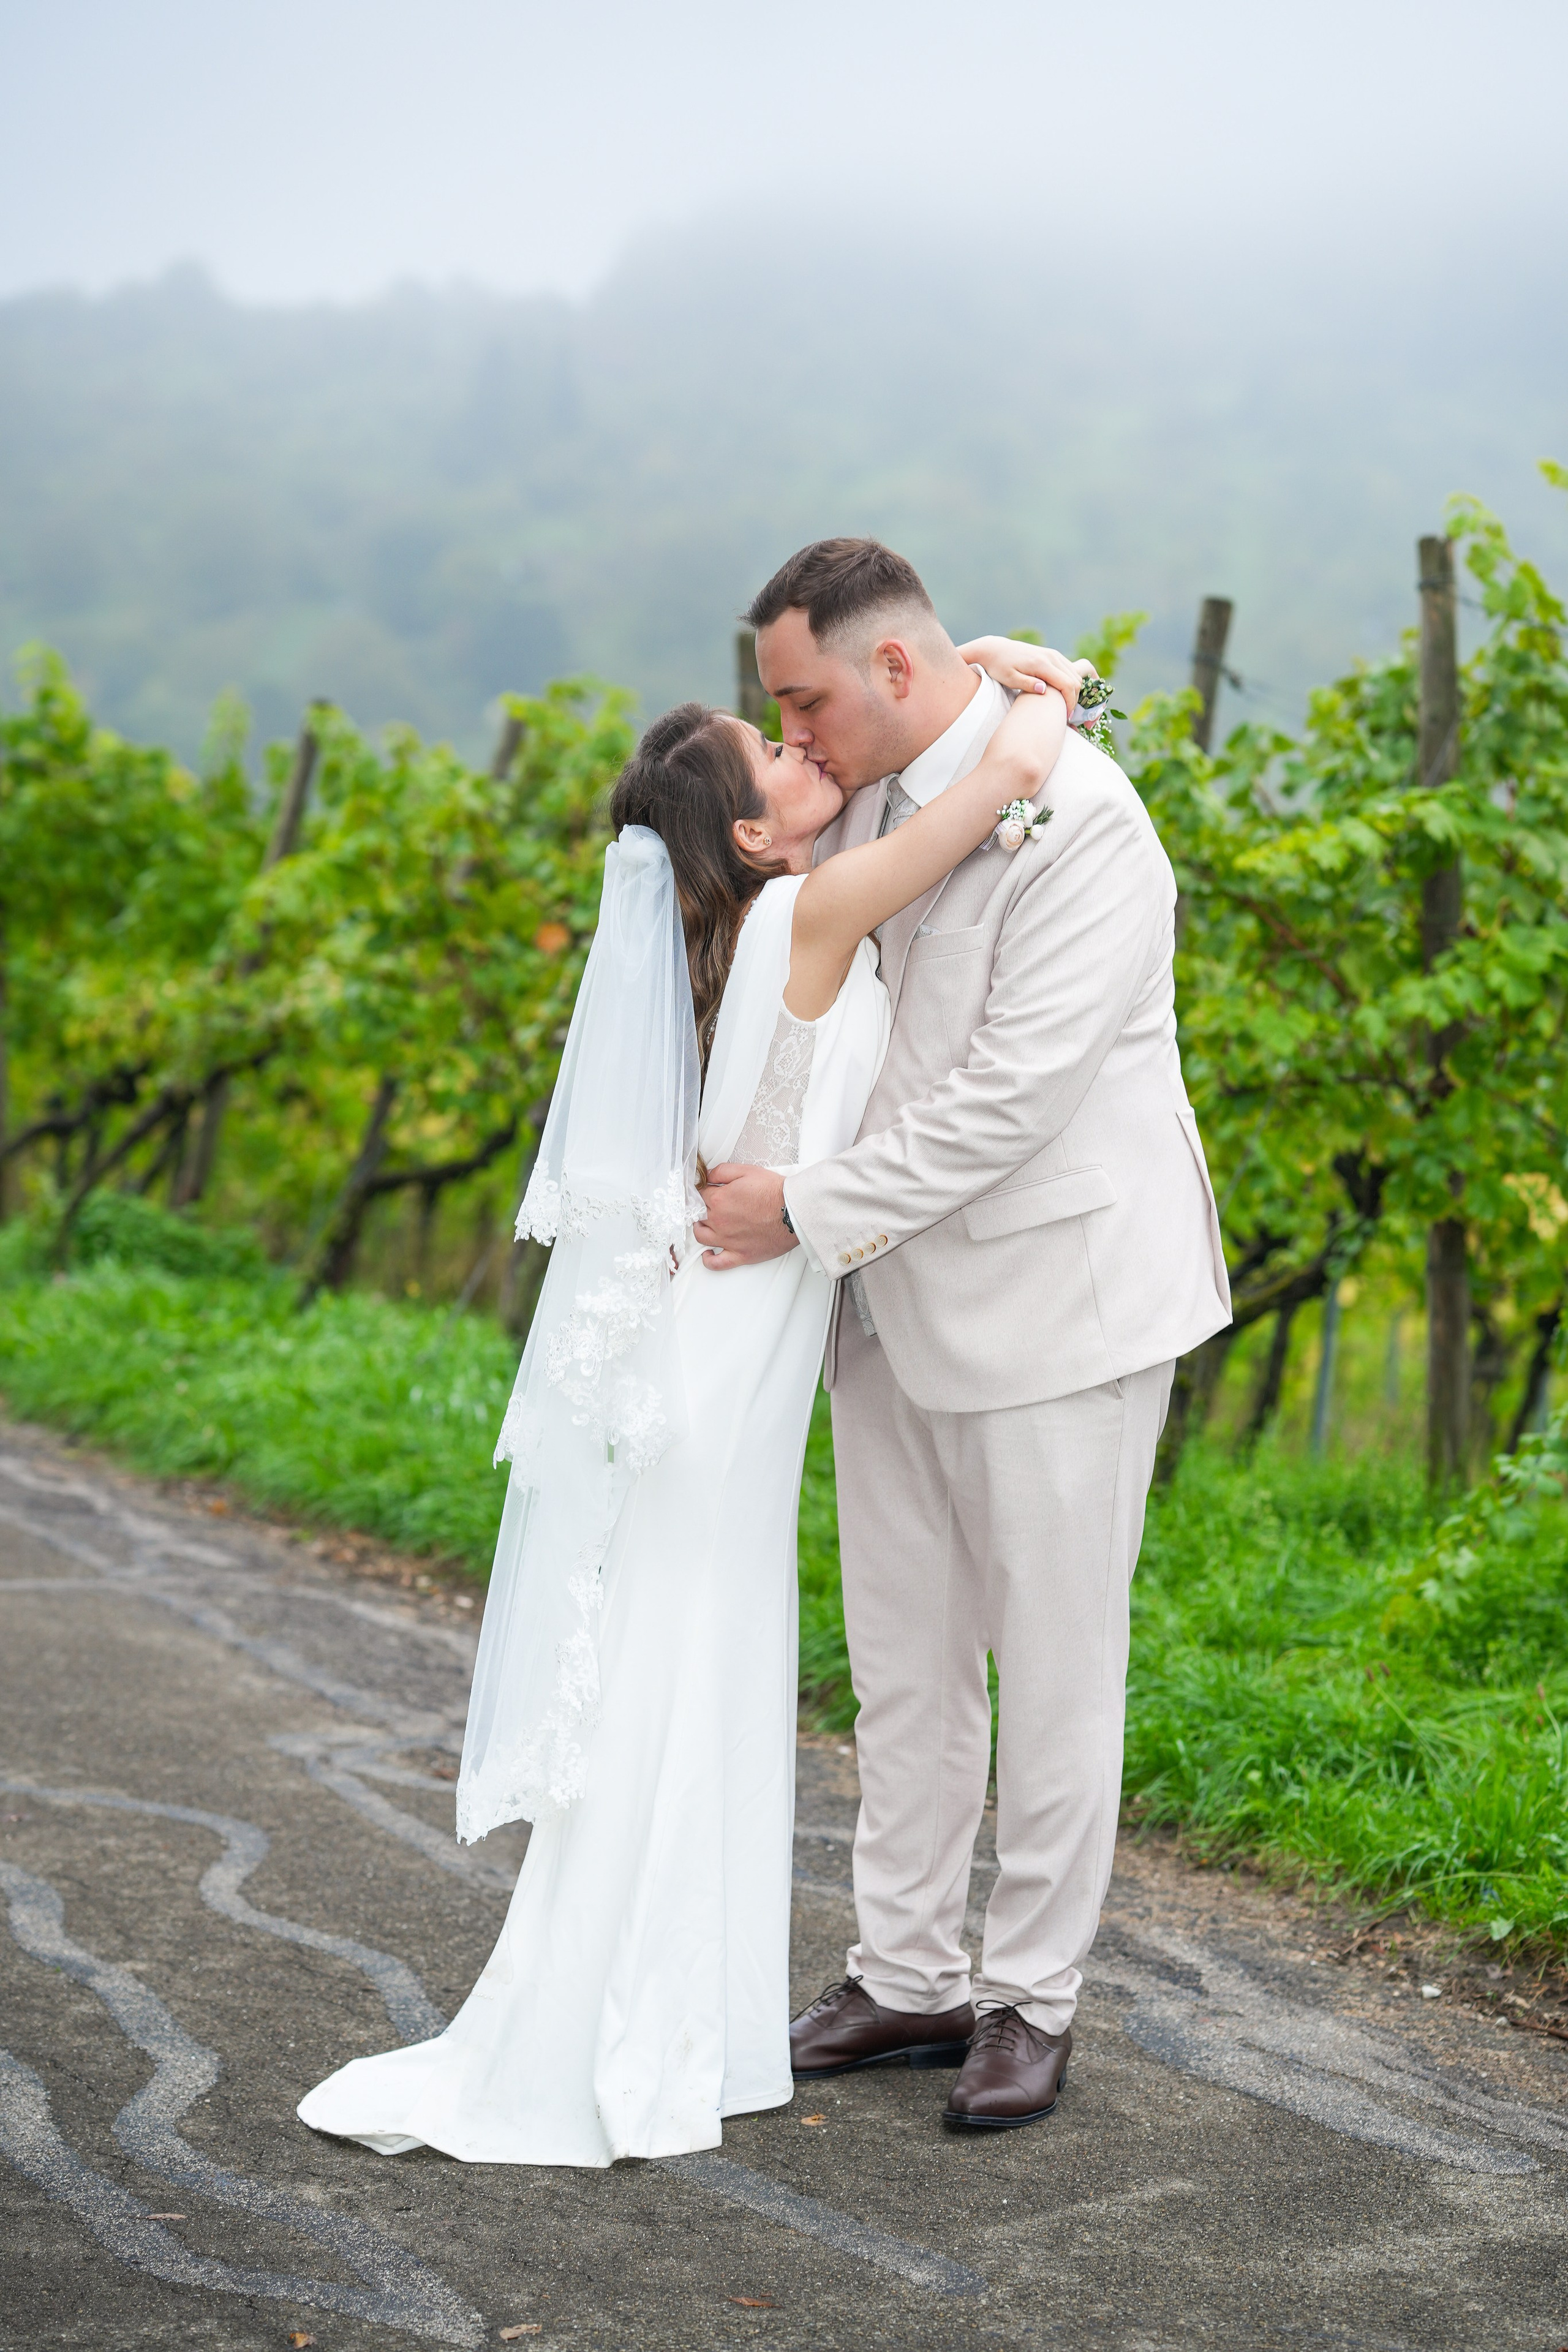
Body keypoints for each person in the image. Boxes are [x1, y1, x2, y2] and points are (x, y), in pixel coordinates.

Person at [296, 635, 1074, 2168]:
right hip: (723, 1357)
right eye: (772, 754)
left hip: (723, 1335)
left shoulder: (744, 929)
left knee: (692, 1652)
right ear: (748, 833)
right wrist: (1036, 678)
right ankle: (637, 2019)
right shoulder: (802, 911)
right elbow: (1003, 775)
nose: (802, 753)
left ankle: (678, 2017)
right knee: (687, 1656)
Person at [694, 538, 1232, 2132]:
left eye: (803, 700)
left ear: (894, 668)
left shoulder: (1088, 821)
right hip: (884, 1302)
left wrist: (800, 1210)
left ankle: (1030, 2000)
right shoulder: (866, 796)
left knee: (1055, 1668)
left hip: (1058, 1303)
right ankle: (909, 1971)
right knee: (904, 1664)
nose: (788, 734)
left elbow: (1011, 1098)